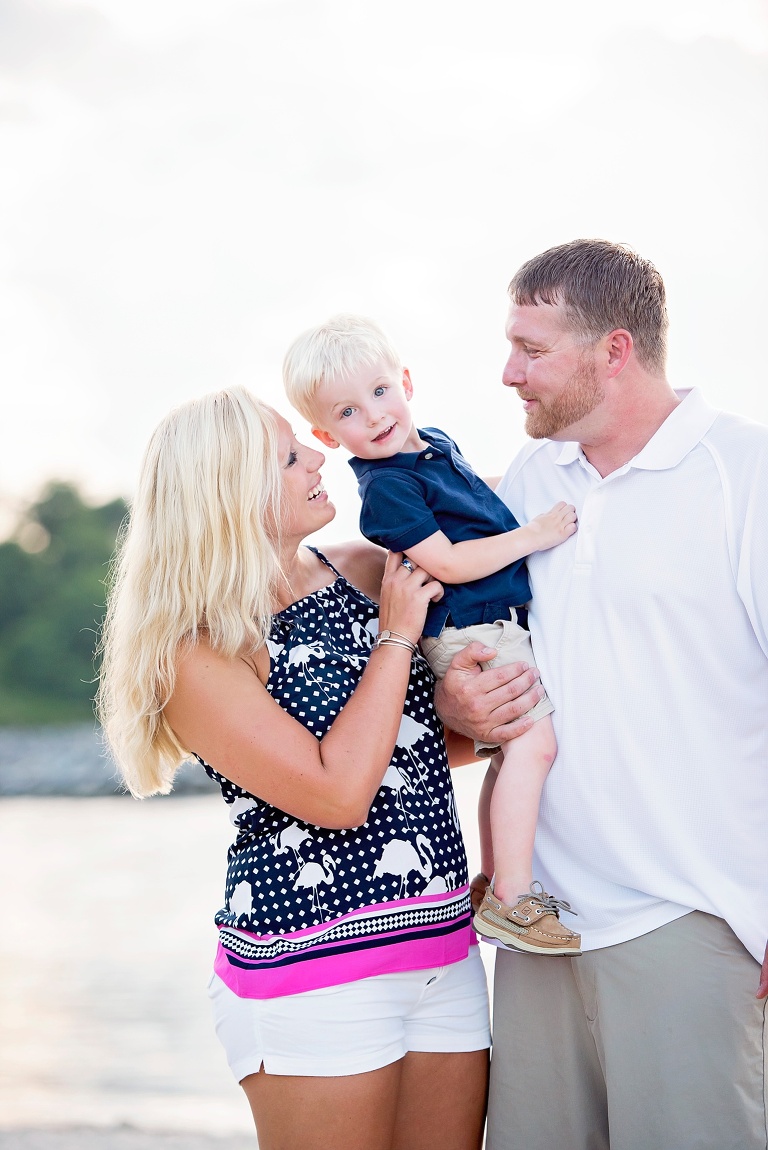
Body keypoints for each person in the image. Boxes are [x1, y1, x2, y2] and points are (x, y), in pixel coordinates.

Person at [97, 387, 503, 1150]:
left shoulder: (361, 569)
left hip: (444, 954)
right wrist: (396, 638)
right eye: (290, 457)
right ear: (231, 494)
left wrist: (477, 722)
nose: (321, 457)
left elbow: (408, 745)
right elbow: (336, 792)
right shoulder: (200, 647)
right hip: (314, 974)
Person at [435, 238, 768, 1150]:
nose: (509, 373)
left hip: (693, 918)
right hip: (537, 923)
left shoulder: (746, 475)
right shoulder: (535, 478)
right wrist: (462, 712)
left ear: (614, 350)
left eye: (532, 349)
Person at [283, 315, 581, 956]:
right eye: (349, 411)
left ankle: (493, 881)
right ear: (325, 434)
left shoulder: (434, 444)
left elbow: (480, 504)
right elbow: (445, 562)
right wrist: (535, 536)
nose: (375, 414)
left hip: (497, 618)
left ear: (406, 382)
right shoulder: (386, 491)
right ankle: (513, 900)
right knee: (536, 746)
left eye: (381, 392)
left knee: (510, 753)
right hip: (466, 627)